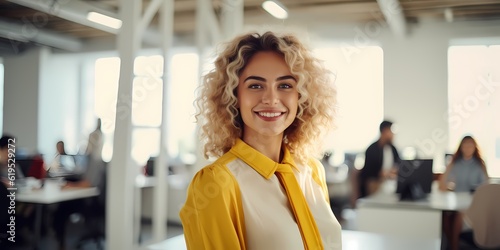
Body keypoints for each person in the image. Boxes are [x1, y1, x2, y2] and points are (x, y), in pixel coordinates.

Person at [179, 31, 342, 249]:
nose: (271, 99)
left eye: (285, 85)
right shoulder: (217, 183)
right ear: (234, 96)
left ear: (301, 96)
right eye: (256, 85)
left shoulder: (312, 171)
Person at [438, 135, 488, 250]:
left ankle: (454, 247)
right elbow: (442, 185)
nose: (467, 148)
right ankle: (451, 244)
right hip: (457, 202)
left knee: (459, 216)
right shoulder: (456, 163)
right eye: (465, 145)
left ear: (475, 147)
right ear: (461, 147)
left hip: (473, 203)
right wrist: (450, 164)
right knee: (445, 216)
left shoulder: (479, 164)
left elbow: (486, 186)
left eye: (470, 145)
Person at [357, 120, 400, 198]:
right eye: (391, 131)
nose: (393, 135)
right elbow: (368, 171)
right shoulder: (372, 149)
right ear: (384, 131)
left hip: (390, 182)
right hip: (375, 182)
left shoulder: (393, 149)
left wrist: (394, 171)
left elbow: (399, 164)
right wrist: (381, 174)